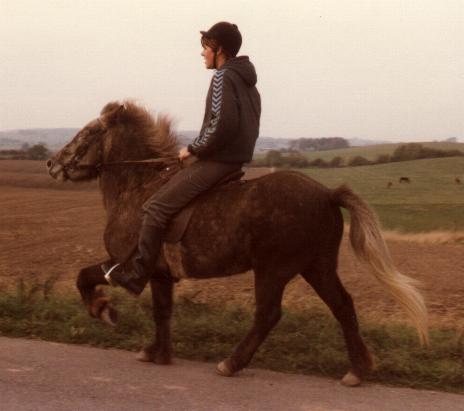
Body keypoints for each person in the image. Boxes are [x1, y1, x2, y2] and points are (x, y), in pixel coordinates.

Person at [104, 21, 261, 295]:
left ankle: (138, 276)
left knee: (155, 207)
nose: (203, 54)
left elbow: (222, 125)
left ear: (218, 49)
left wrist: (193, 148)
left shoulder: (223, 77)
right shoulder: (248, 84)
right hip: (235, 160)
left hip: (216, 161)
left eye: (206, 47)